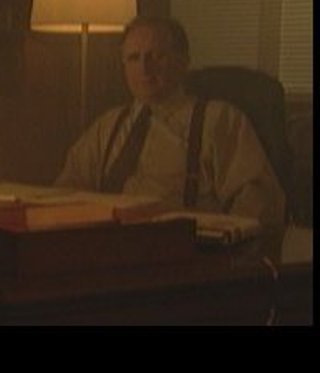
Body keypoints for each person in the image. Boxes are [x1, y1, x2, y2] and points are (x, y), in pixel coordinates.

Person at [55, 15, 285, 234]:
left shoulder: (219, 120)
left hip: (185, 248)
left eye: (156, 56)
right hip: (108, 244)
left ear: (183, 62)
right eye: (134, 58)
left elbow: (259, 201)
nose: (144, 68)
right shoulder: (108, 125)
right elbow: (67, 190)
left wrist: (225, 241)